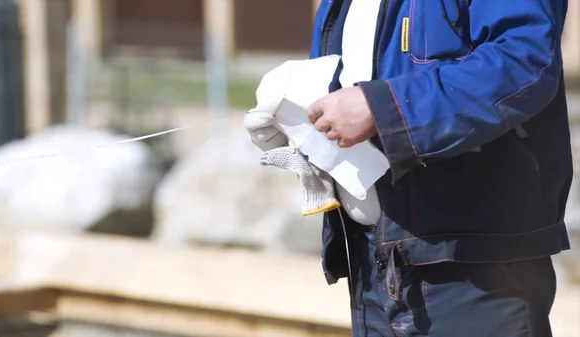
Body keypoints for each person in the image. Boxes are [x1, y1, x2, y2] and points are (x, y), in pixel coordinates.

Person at [244, 0, 573, 336]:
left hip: (472, 272)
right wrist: (302, 127)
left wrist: (382, 110)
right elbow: (353, 80)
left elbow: (525, 60)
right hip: (372, 264)